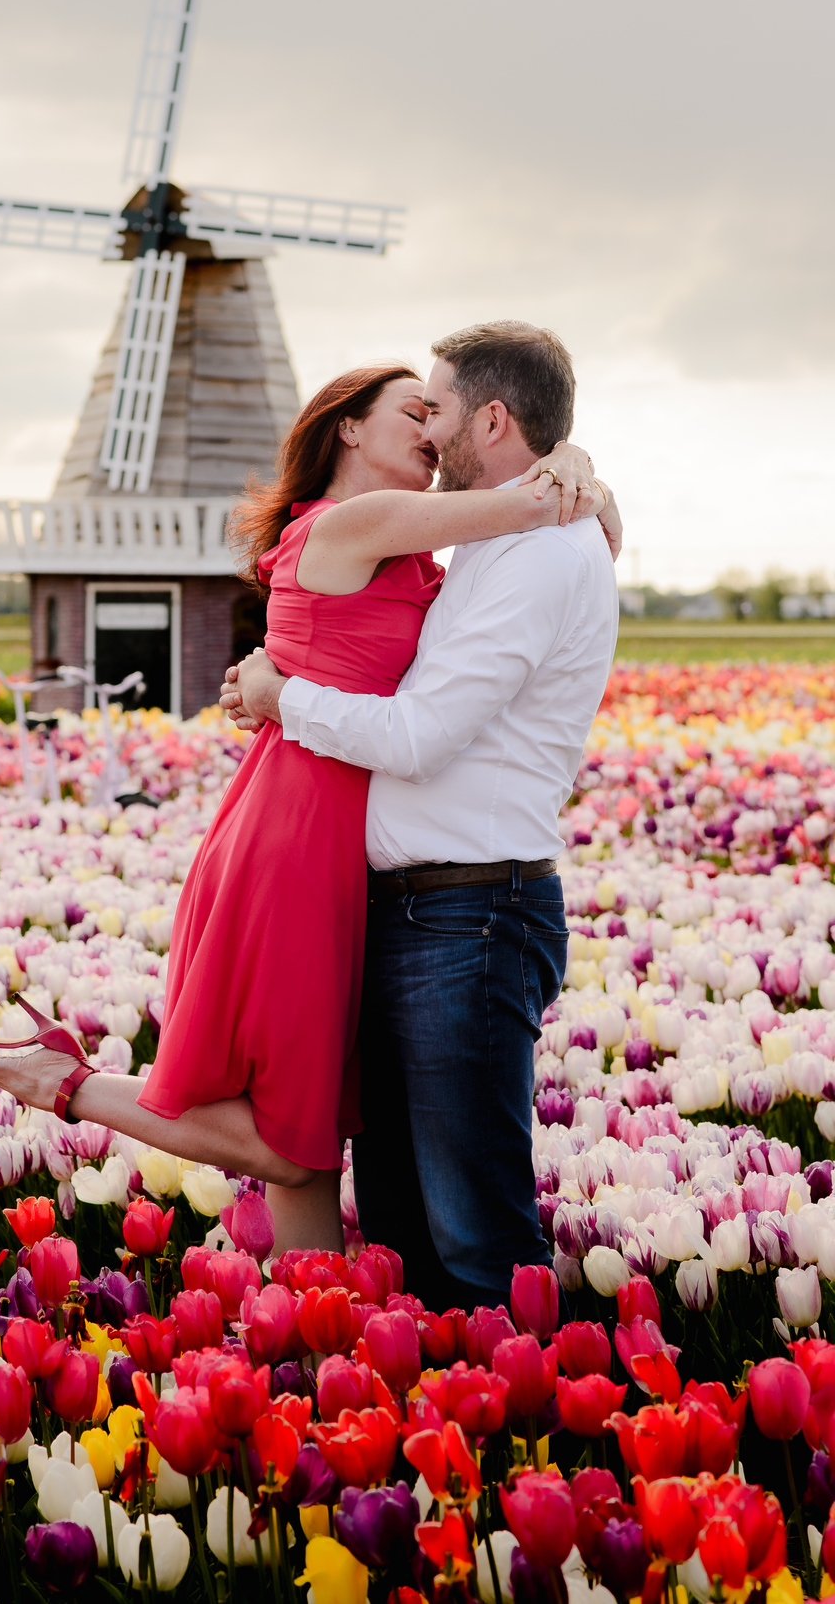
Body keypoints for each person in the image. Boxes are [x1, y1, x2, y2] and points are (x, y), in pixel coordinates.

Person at [0, 352, 614, 1256]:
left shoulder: (416, 547)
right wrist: (573, 471)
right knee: (289, 1131)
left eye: (440, 413)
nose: (431, 432)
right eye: (413, 412)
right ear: (348, 426)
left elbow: (543, 527)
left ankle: (315, 1356)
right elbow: (536, 504)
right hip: (303, 834)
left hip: (340, 840)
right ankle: (69, 1086)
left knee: (310, 1140)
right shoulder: (365, 521)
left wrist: (575, 467)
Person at [220, 321, 621, 1303]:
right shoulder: (484, 541)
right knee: (400, 1227)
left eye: (435, 408)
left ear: (489, 417)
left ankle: (533, 1441)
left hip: (472, 915)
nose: (429, 431)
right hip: (408, 913)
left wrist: (283, 699)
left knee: (474, 1231)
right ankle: (436, 1427)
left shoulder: (539, 552)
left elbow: (419, 735)